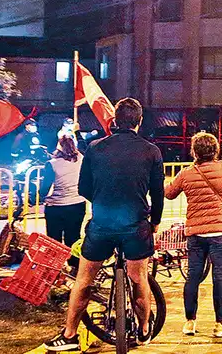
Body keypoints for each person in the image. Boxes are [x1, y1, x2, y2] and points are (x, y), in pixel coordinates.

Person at [44, 98, 164, 352]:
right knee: (138, 278)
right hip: (136, 225)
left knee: (84, 279)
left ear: (113, 122)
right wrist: (154, 222)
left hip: (102, 225)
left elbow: (84, 188)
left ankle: (69, 335)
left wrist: (104, 200)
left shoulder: (94, 148)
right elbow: (158, 193)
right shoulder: (151, 150)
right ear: (138, 122)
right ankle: (143, 331)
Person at [164, 132, 222, 338]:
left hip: (195, 233)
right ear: (215, 150)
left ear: (194, 151)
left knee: (193, 277)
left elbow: (170, 193)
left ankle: (189, 322)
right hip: (220, 232)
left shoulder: (186, 173)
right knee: (219, 278)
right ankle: (220, 323)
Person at [40, 135, 86, 268]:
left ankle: (55, 268)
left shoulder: (52, 164)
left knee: (55, 241)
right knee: (74, 238)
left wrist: (38, 196)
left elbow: (45, 188)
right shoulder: (80, 159)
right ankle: (74, 268)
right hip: (77, 204)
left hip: (56, 207)